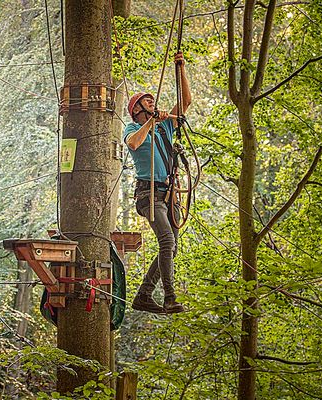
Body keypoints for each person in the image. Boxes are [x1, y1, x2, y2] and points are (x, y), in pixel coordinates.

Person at [124, 52, 191, 314]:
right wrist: (151, 121)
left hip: (168, 194)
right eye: (147, 101)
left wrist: (181, 69)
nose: (153, 103)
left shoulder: (165, 128)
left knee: (171, 246)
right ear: (137, 111)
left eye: (152, 101)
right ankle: (170, 297)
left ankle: (144, 295)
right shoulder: (133, 129)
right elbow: (133, 144)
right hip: (148, 194)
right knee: (166, 241)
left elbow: (185, 102)